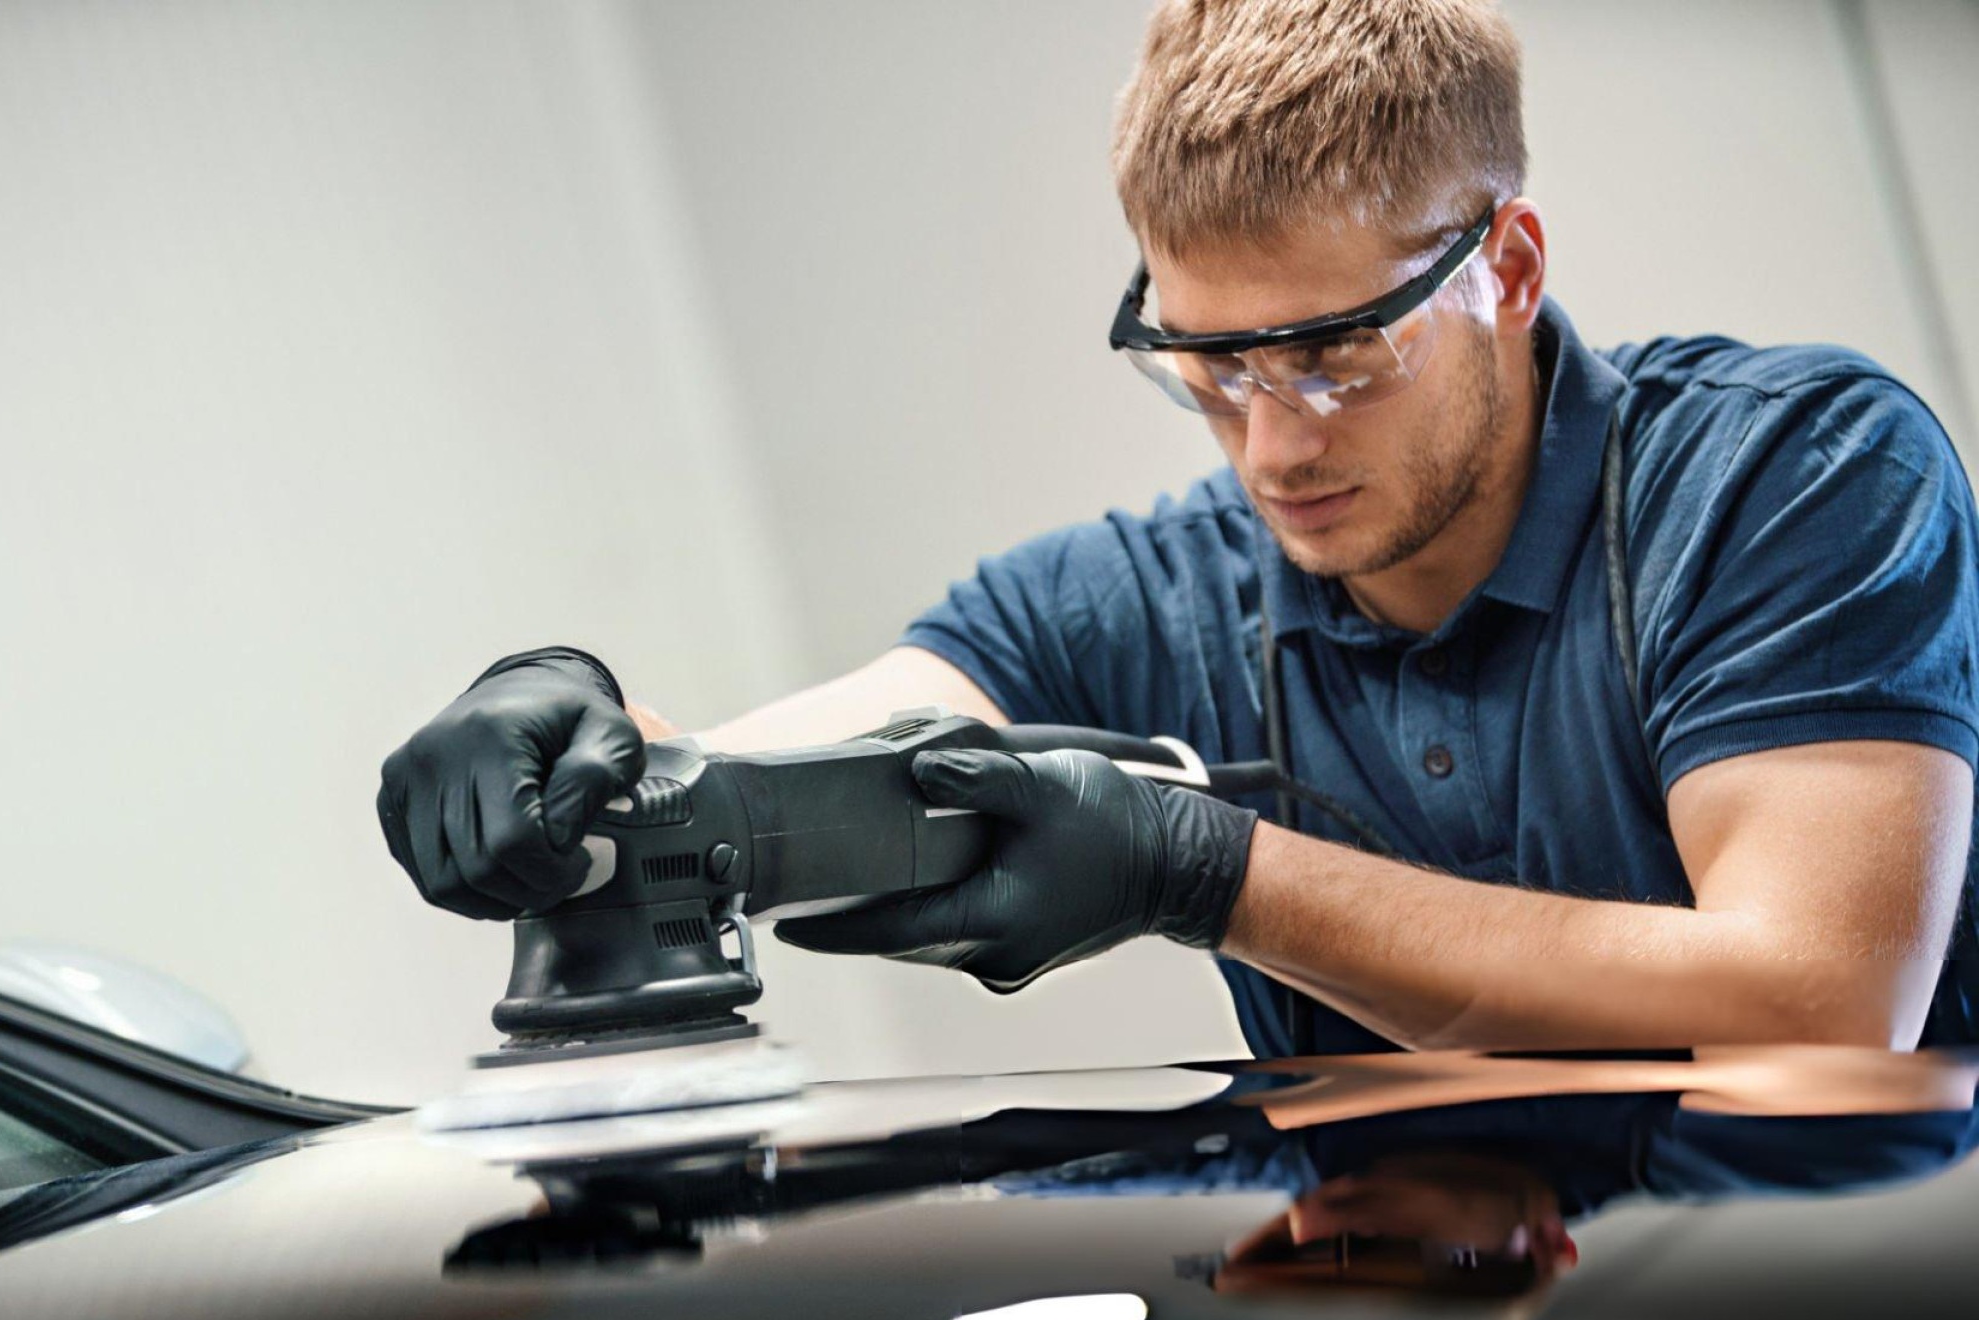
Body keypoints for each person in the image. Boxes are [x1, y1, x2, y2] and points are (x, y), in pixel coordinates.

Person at [378, 0, 1979, 1059]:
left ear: (1502, 268)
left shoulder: (1790, 476)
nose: (1271, 446)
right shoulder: (1139, 599)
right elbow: (751, 779)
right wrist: (571, 737)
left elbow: (1816, 1007)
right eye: (1207, 366)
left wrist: (1209, 874)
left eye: (1336, 355)